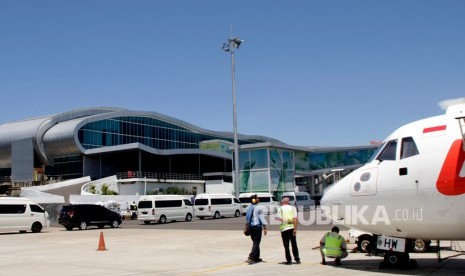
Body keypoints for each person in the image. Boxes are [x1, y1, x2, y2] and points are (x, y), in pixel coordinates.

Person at [276, 196, 300, 265]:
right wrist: (295, 229)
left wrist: (288, 222)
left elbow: (280, 219)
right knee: (294, 244)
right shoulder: (293, 208)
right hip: (292, 228)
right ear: (288, 202)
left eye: (281, 202)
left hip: (284, 229)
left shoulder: (280, 209)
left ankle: (289, 261)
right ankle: (297, 259)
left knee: (286, 246)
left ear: (283, 202)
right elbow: (295, 219)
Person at [245, 194, 268, 264]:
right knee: (256, 242)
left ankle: (256, 257)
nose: (259, 199)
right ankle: (251, 257)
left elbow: (247, 218)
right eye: (257, 198)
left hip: (251, 227)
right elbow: (261, 217)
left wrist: (248, 225)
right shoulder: (258, 208)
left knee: (255, 242)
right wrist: (265, 227)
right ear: (254, 200)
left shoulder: (248, 207)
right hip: (257, 227)